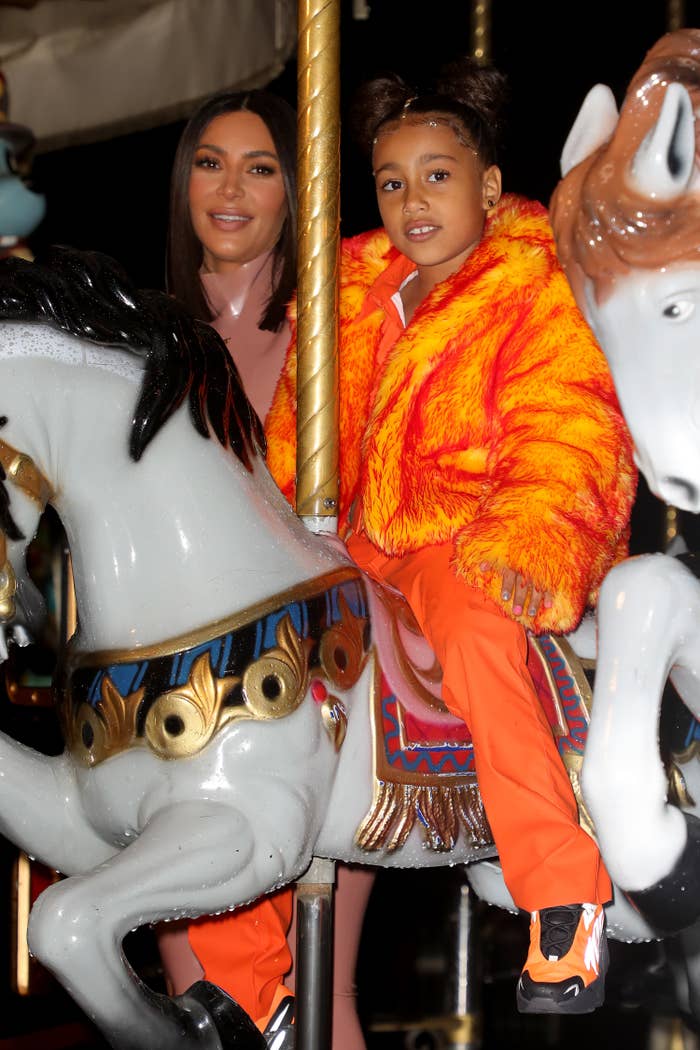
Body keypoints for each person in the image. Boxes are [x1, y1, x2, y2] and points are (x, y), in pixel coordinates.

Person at [265, 58, 637, 1016]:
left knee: (476, 637)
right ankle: (243, 964)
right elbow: (288, 436)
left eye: (437, 176)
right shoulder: (347, 295)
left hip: (459, 539)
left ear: (487, 187)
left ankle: (561, 894)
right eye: (391, 182)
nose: (411, 201)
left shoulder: (529, 287)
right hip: (343, 544)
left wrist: (524, 543)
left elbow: (567, 425)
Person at [159, 87, 374, 1048]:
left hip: (318, 680)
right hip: (184, 703)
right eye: (211, 163)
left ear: (298, 189)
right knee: (199, 990)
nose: (232, 187)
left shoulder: (336, 328)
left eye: (261, 166)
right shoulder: (148, 338)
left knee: (324, 989)